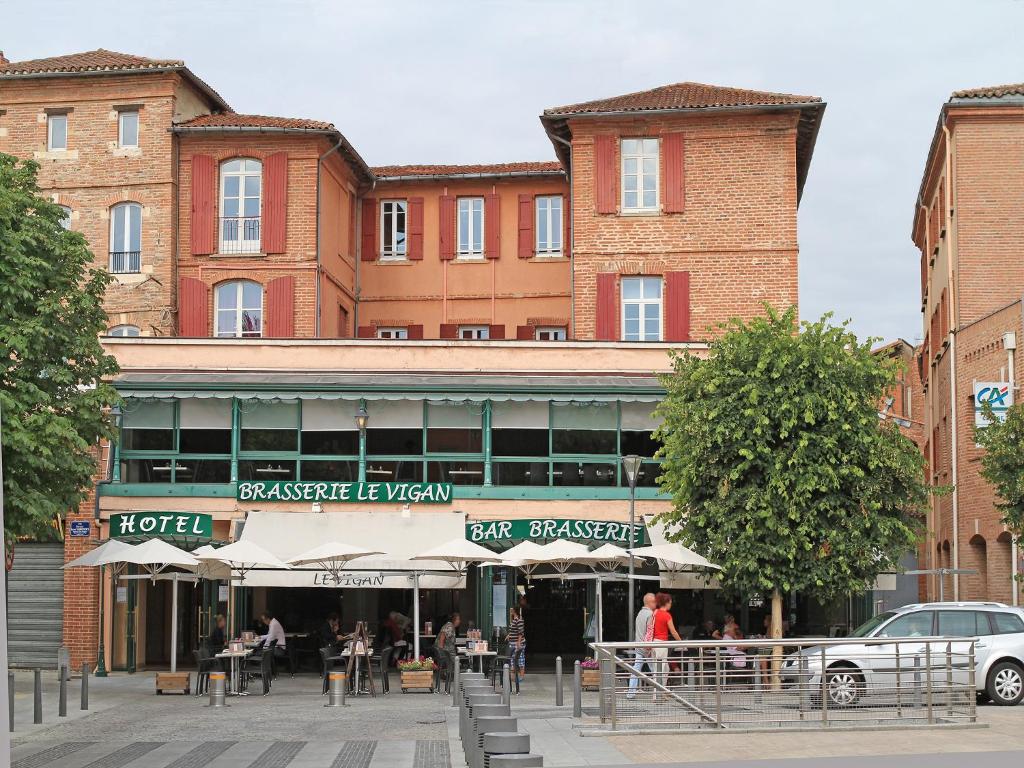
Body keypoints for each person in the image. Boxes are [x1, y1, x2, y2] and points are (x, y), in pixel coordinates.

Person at [651, 592, 682, 701]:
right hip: (662, 643)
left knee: (664, 668)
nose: (671, 604)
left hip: (654, 642)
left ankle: (661, 692)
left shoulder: (655, 612)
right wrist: (681, 642)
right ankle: (657, 695)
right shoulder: (667, 615)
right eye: (670, 602)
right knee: (660, 669)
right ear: (666, 603)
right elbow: (673, 631)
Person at [627, 593, 656, 699]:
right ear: (650, 602)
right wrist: (648, 647)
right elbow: (649, 631)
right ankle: (658, 692)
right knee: (655, 670)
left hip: (639, 645)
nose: (656, 603)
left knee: (636, 669)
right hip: (646, 647)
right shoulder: (650, 614)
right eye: (654, 601)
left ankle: (631, 693)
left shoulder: (640, 613)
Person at [506, 607, 526, 694]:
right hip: (512, 642)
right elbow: (513, 629)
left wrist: (518, 642)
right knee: (512, 661)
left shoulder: (519, 619)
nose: (510, 611)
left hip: (517, 643)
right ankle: (514, 677)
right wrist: (509, 635)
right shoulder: (514, 619)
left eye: (511, 610)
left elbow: (520, 632)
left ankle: (521, 677)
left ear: (515, 610)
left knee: (519, 660)